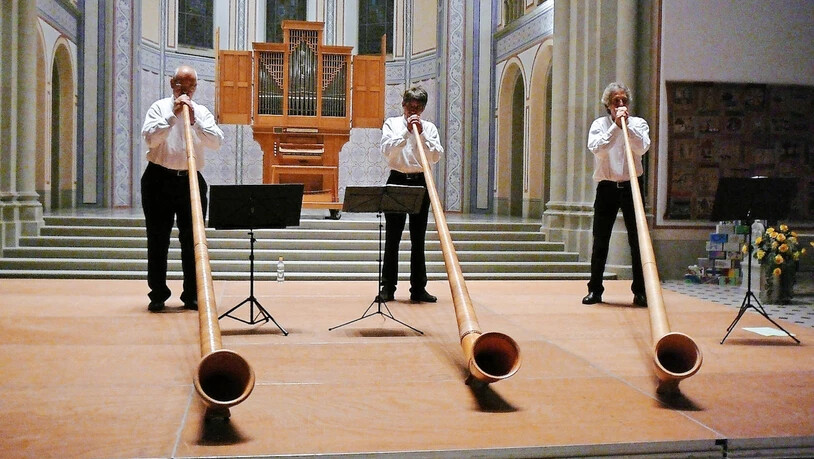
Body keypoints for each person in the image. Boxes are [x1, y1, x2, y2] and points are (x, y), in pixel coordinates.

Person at [141, 66, 224, 312]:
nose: (185, 90)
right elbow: (150, 138)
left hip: (190, 179)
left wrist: (195, 123)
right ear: (171, 84)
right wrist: (172, 117)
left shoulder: (202, 112)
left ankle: (191, 294)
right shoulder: (159, 108)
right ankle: (158, 293)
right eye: (180, 85)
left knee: (193, 241)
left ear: (196, 88)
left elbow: (217, 142)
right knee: (157, 238)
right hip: (158, 179)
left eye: (190, 86)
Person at [582, 82, 650, 307]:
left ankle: (640, 291)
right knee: (600, 239)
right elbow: (598, 149)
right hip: (607, 187)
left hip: (632, 186)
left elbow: (641, 148)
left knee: (637, 241)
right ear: (608, 105)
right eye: (616, 101)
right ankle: (595, 290)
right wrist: (616, 128)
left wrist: (627, 126)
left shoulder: (638, 124)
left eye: (624, 101)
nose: (621, 105)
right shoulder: (599, 125)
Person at [378, 86, 444, 303]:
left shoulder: (430, 128)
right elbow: (388, 152)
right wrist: (407, 132)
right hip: (397, 179)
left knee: (418, 238)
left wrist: (421, 134)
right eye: (410, 106)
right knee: (392, 238)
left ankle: (418, 288)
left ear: (423, 108)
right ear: (403, 105)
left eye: (418, 107)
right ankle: (388, 288)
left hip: (421, 182)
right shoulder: (392, 124)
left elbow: (435, 156)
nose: (413, 110)